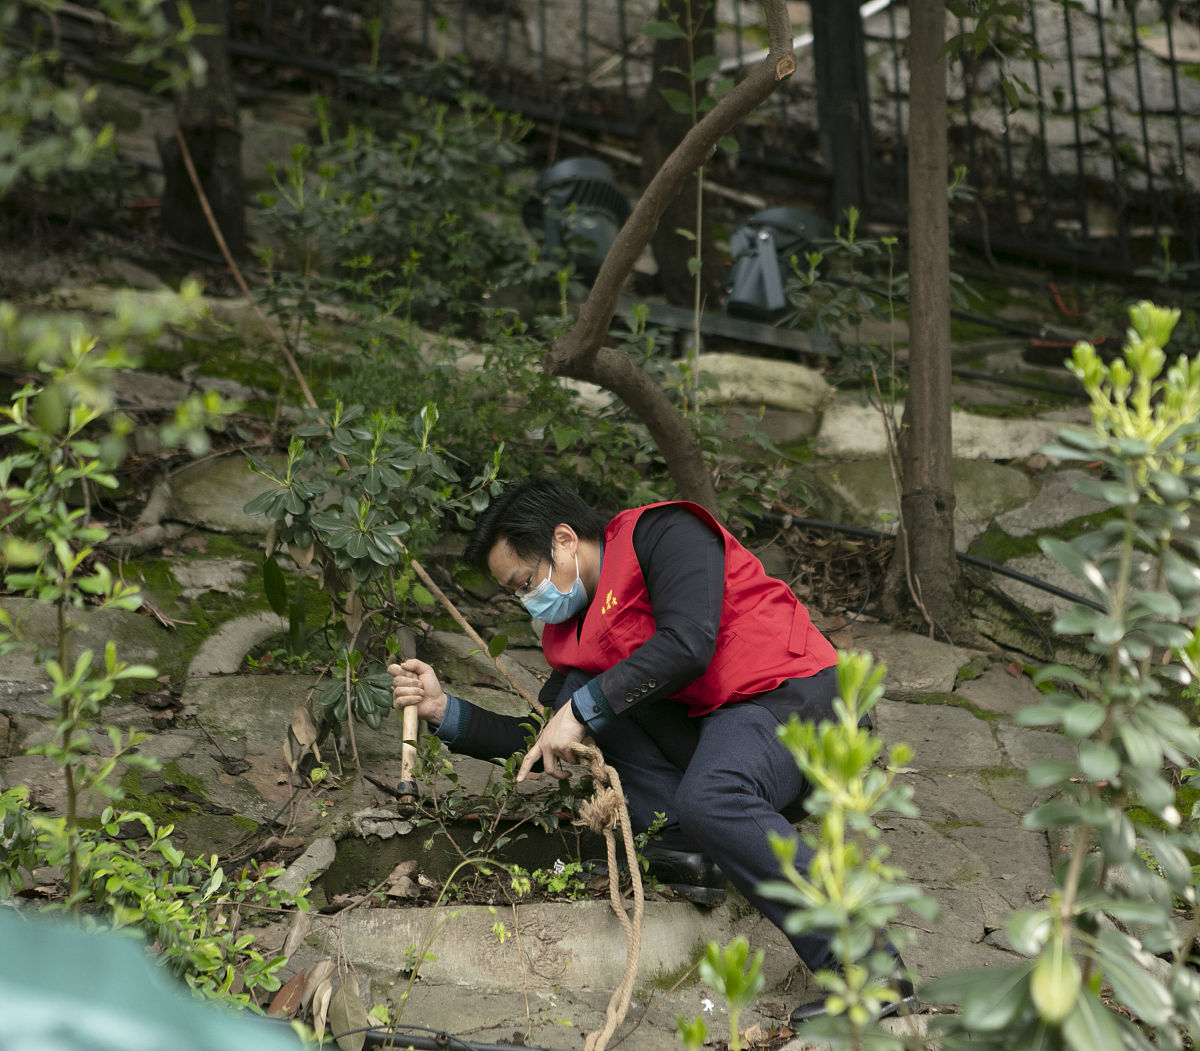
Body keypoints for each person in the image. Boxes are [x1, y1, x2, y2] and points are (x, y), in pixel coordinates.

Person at [388, 478, 915, 1025]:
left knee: (709, 791)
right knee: (585, 711)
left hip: (797, 698)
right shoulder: (577, 631)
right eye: (515, 593)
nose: (527, 600)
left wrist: (582, 709)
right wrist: (443, 711)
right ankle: (693, 849)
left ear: (565, 540)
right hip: (724, 727)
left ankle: (873, 971)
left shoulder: (665, 534)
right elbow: (547, 737)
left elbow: (688, 643)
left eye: (525, 582)